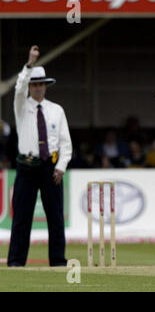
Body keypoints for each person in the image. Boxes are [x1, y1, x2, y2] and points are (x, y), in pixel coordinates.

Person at [7, 46, 72, 267]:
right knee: (22, 219)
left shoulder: (57, 110)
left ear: (46, 86)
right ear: (30, 86)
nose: (37, 88)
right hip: (27, 165)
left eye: (41, 84)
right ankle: (16, 262)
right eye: (34, 84)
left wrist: (61, 166)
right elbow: (18, 89)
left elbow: (66, 144)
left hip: (50, 166)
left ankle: (58, 261)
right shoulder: (21, 107)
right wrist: (29, 64)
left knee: (55, 218)